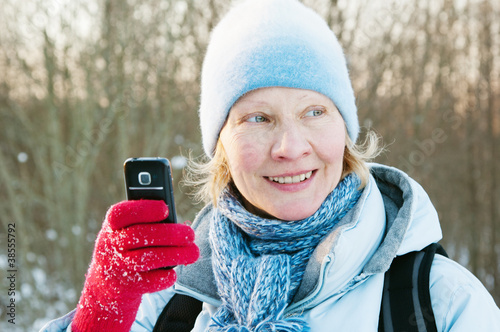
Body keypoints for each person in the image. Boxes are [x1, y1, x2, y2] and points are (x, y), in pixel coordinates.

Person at [41, 0, 500, 331]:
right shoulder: (166, 303)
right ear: (221, 144)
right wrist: (100, 315)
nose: (290, 146)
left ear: (346, 130)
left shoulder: (440, 303)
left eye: (314, 112)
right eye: (257, 118)